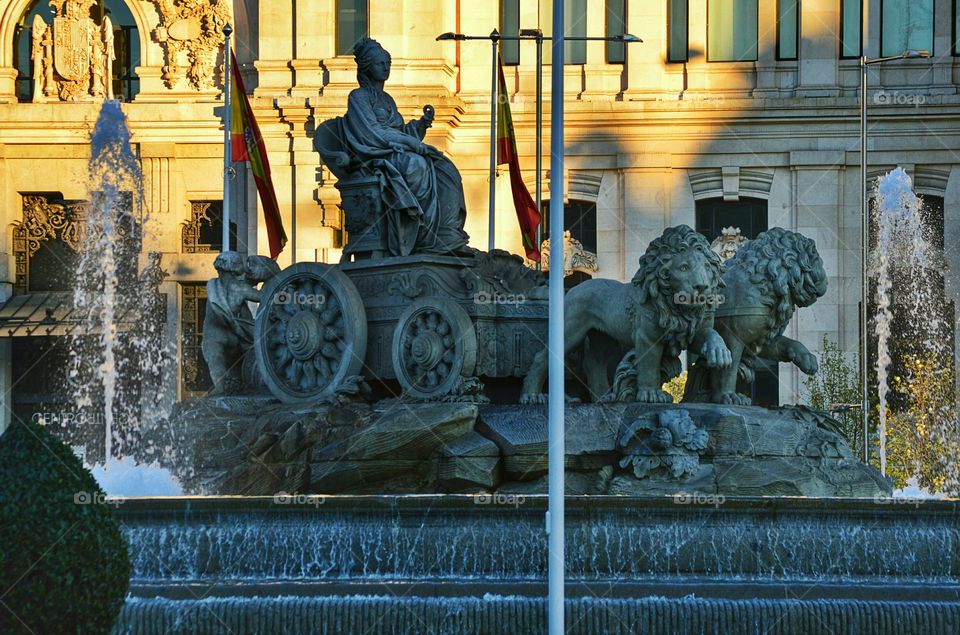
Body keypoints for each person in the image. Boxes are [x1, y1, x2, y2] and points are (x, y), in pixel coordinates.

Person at [337, 37, 470, 256]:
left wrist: (419, 126)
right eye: (380, 64)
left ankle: (446, 233)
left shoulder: (387, 100)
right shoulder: (358, 97)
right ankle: (419, 236)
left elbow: (399, 133)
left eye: (387, 63)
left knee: (446, 170)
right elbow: (374, 133)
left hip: (395, 152)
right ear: (368, 67)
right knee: (416, 165)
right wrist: (413, 145)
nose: (385, 68)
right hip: (374, 156)